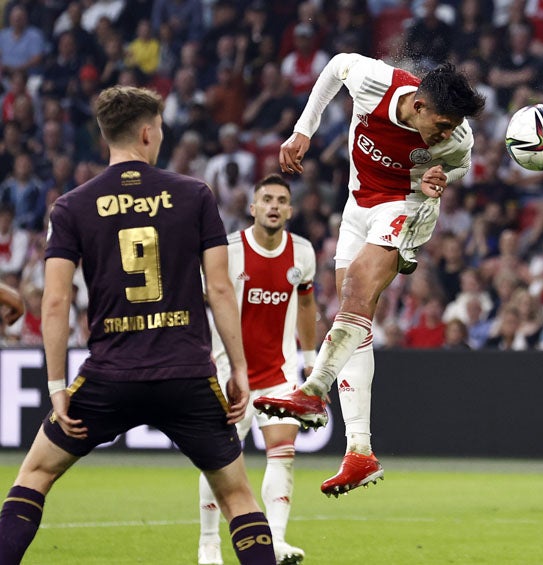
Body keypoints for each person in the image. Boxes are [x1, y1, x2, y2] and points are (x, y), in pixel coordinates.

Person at [0, 86, 275, 565]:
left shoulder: (71, 206)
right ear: (148, 133)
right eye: (161, 128)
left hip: (109, 376)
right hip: (188, 375)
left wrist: (57, 386)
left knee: (34, 476)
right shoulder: (194, 195)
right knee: (237, 497)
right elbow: (221, 289)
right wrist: (239, 371)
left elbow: (56, 301)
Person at [254, 53, 485, 497]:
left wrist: (441, 177)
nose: (446, 134)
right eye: (440, 125)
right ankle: (359, 452)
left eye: (452, 127)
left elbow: (461, 161)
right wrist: (304, 130)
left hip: (405, 205)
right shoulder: (375, 82)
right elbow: (335, 66)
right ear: (418, 105)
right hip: (357, 204)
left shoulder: (456, 136)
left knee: (358, 289)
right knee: (352, 313)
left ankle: (313, 390)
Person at [197, 173, 317, 564]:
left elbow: (307, 304)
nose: (273, 206)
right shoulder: (229, 250)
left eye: (281, 200)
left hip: (280, 374)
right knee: (219, 461)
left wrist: (311, 361)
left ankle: (276, 540)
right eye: (266, 199)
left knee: (283, 454)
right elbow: (200, 299)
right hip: (231, 375)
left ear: (290, 210)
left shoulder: (302, 253)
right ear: (252, 207)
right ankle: (209, 543)